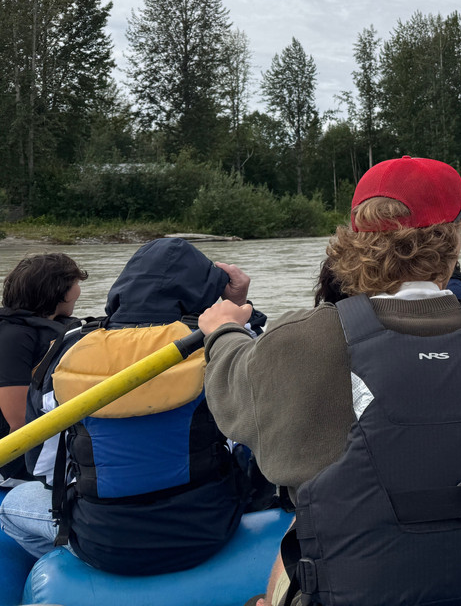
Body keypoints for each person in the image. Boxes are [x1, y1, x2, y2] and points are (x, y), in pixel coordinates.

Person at [199, 155, 461, 606]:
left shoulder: (299, 338)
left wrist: (222, 330)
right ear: (453, 241)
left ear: (353, 239)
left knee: (297, 536)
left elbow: (230, 402)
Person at [0, 238, 265, 574]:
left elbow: (42, 465)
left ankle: (75, 576)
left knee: (13, 508)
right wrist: (237, 302)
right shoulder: (222, 343)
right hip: (210, 527)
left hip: (103, 542)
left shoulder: (66, 351)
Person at [0, 254, 86, 487]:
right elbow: (18, 420)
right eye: (75, 283)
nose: (79, 290)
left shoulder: (59, 328)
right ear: (60, 291)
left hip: (49, 442)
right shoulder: (13, 337)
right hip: (16, 460)